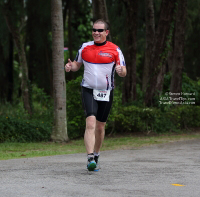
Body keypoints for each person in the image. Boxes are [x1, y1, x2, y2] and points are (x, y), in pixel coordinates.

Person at [65, 19, 127, 171]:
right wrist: (69, 66)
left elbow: (123, 71)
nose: (96, 33)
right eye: (94, 30)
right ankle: (90, 158)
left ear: (107, 32)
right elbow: (76, 65)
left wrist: (121, 71)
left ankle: (97, 155)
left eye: (100, 30)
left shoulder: (115, 50)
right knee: (91, 123)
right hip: (88, 89)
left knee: (100, 127)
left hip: (106, 92)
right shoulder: (85, 47)